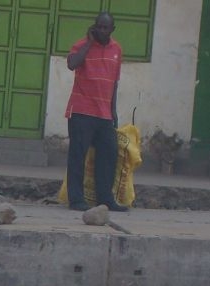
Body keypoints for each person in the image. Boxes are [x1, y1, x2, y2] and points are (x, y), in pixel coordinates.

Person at [65, 12, 128, 213]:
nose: (101, 30)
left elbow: (114, 84)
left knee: (109, 155)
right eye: (98, 27)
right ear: (94, 27)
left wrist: (113, 112)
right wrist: (89, 43)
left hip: (104, 114)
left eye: (105, 27)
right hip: (82, 110)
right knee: (77, 156)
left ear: (112, 29)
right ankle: (76, 200)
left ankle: (106, 199)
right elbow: (72, 64)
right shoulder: (81, 45)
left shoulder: (117, 50)